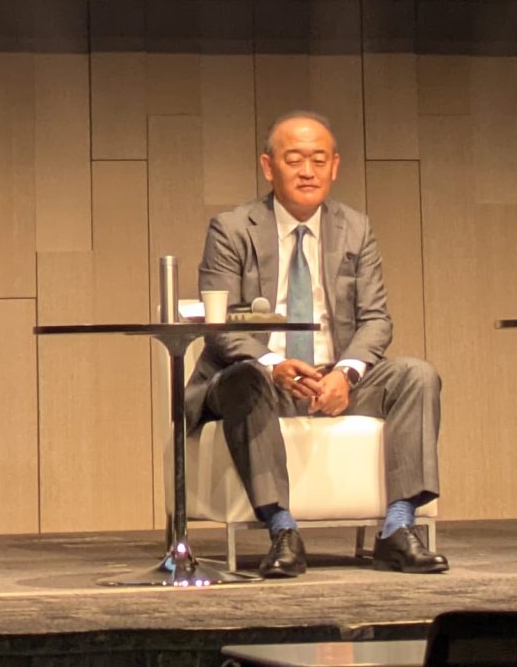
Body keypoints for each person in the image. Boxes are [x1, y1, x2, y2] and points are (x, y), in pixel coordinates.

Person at [187, 111, 446, 579]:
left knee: (417, 375)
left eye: (318, 160)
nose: (308, 171)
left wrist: (345, 374)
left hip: (332, 377)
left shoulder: (355, 228)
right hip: (258, 379)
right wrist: (274, 364)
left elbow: (376, 320)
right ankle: (282, 530)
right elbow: (220, 324)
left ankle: (398, 527)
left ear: (335, 166)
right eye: (294, 160)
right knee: (246, 378)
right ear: (268, 167)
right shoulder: (232, 228)